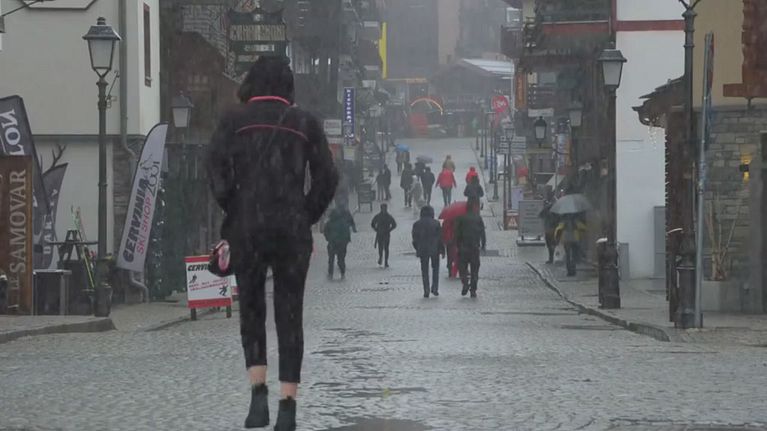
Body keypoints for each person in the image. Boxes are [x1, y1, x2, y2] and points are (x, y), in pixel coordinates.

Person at [207, 56, 338, 430]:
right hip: (290, 231)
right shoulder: (304, 123)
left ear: (252, 82)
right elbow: (328, 177)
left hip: (248, 229)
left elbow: (214, 168)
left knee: (251, 309)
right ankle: (288, 406)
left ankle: (258, 396)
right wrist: (304, 213)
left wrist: (235, 204)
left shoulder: (233, 121)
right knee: (289, 313)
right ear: (288, 86)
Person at [455, 201, 486, 298]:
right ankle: (473, 290)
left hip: (463, 247)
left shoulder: (461, 218)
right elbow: (482, 232)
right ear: (473, 208)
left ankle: (465, 282)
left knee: (462, 268)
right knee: (475, 270)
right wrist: (483, 244)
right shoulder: (478, 218)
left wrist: (457, 245)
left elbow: (457, 233)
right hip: (474, 247)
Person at [412, 205, 444, 298]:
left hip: (423, 249)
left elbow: (414, 238)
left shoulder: (417, 224)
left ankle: (426, 289)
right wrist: (442, 249)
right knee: (435, 269)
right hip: (435, 249)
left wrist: (417, 248)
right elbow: (440, 238)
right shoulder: (436, 223)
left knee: (424, 270)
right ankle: (435, 287)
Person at [324, 207, 356, 280]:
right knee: (341, 259)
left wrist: (328, 239)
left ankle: (330, 273)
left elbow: (325, 232)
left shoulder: (329, 223)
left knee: (331, 260)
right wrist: (345, 242)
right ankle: (342, 273)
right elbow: (346, 233)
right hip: (341, 244)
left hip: (332, 244)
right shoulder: (343, 223)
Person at [539, 189, 559, 264]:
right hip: (549, 228)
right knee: (550, 243)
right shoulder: (547, 204)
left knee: (551, 243)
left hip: (552, 228)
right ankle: (551, 258)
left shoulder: (554, 204)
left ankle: (551, 258)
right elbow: (541, 215)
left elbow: (542, 215)